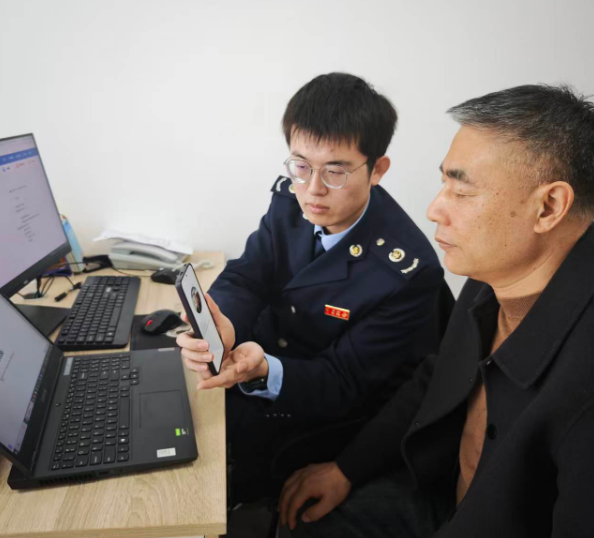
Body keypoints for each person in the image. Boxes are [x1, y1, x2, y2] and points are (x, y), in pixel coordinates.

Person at [279, 84, 594, 537]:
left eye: (462, 192)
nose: (434, 210)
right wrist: (347, 469)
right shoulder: (493, 275)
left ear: (548, 207)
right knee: (298, 522)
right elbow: (439, 376)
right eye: (444, 182)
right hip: (443, 497)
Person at [177, 73, 451, 503]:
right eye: (301, 166)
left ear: (377, 170)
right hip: (258, 362)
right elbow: (248, 275)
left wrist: (264, 369)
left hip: (320, 406)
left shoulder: (406, 271)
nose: (313, 189)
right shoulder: (291, 199)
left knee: (193, 474)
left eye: (336, 171)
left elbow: (343, 381)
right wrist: (224, 322)